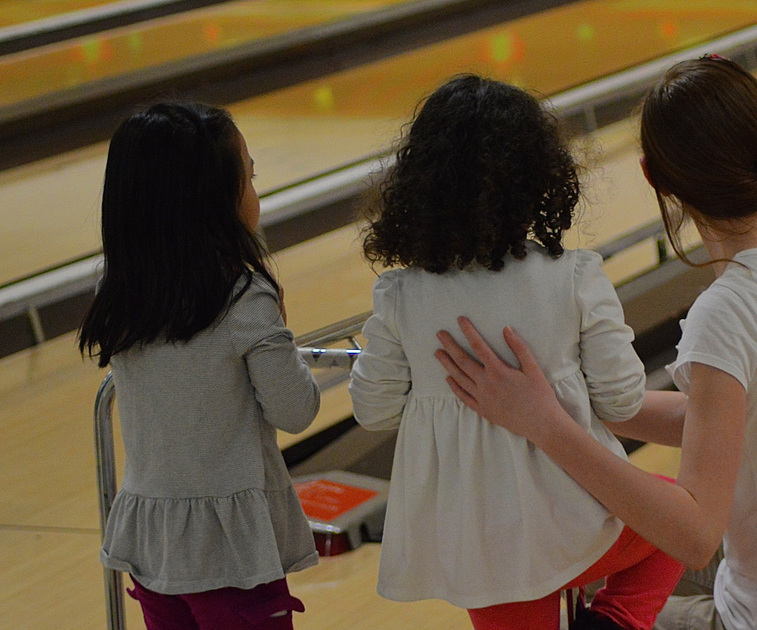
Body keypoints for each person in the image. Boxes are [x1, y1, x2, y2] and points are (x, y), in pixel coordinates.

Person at [435, 56, 757, 630]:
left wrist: (548, 426)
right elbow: (728, 419)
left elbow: (693, 534)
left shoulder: (731, 309)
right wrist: (578, 402)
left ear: (653, 177)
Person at [348, 74, 684, 630]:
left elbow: (374, 411)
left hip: (477, 541)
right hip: (576, 518)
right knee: (677, 516)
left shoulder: (401, 297)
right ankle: (616, 621)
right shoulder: (574, 277)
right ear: (539, 177)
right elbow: (621, 401)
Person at [79, 102, 321, 629]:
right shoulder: (244, 297)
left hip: (154, 544)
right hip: (231, 554)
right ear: (215, 201)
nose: (256, 192)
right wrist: (279, 326)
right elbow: (296, 408)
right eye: (250, 179)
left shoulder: (117, 291)